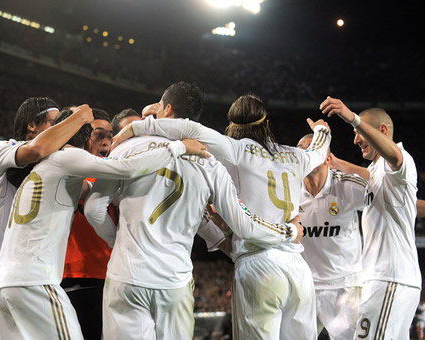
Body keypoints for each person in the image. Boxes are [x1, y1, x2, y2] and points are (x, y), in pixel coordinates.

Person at [113, 91, 332, 339]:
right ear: (267, 124)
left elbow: (189, 128)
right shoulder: (297, 156)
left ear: (233, 127)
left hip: (258, 262)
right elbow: (319, 151)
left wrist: (139, 128)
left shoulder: (236, 150)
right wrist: (322, 131)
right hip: (297, 267)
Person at [0, 108, 207, 340]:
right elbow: (127, 169)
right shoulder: (70, 156)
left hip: (4, 284)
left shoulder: (49, 167)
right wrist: (179, 148)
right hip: (35, 282)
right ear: (84, 137)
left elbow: (88, 190)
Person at [0, 98, 93, 340]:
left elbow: (86, 188)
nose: (63, 127)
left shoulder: (51, 168)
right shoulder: (1, 150)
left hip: (18, 285)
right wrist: (78, 118)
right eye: (55, 122)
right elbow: (36, 150)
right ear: (32, 126)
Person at [320, 96, 421, 339]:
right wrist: (335, 162)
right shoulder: (378, 171)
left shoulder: (400, 160)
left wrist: (351, 116)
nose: (355, 139)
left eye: (358, 132)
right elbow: (368, 176)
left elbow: (395, 156)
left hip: (389, 278)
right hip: (387, 280)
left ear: (382, 131)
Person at [297, 133, 367, 339]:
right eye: (300, 148)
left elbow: (390, 197)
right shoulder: (288, 189)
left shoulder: (348, 185)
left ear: (327, 158)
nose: (304, 152)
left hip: (345, 287)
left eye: (311, 147)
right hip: (305, 287)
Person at [61, 108, 115, 340]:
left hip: (111, 277)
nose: (106, 142)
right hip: (73, 275)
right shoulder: (67, 171)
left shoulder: (114, 177)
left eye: (110, 137)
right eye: (99, 135)